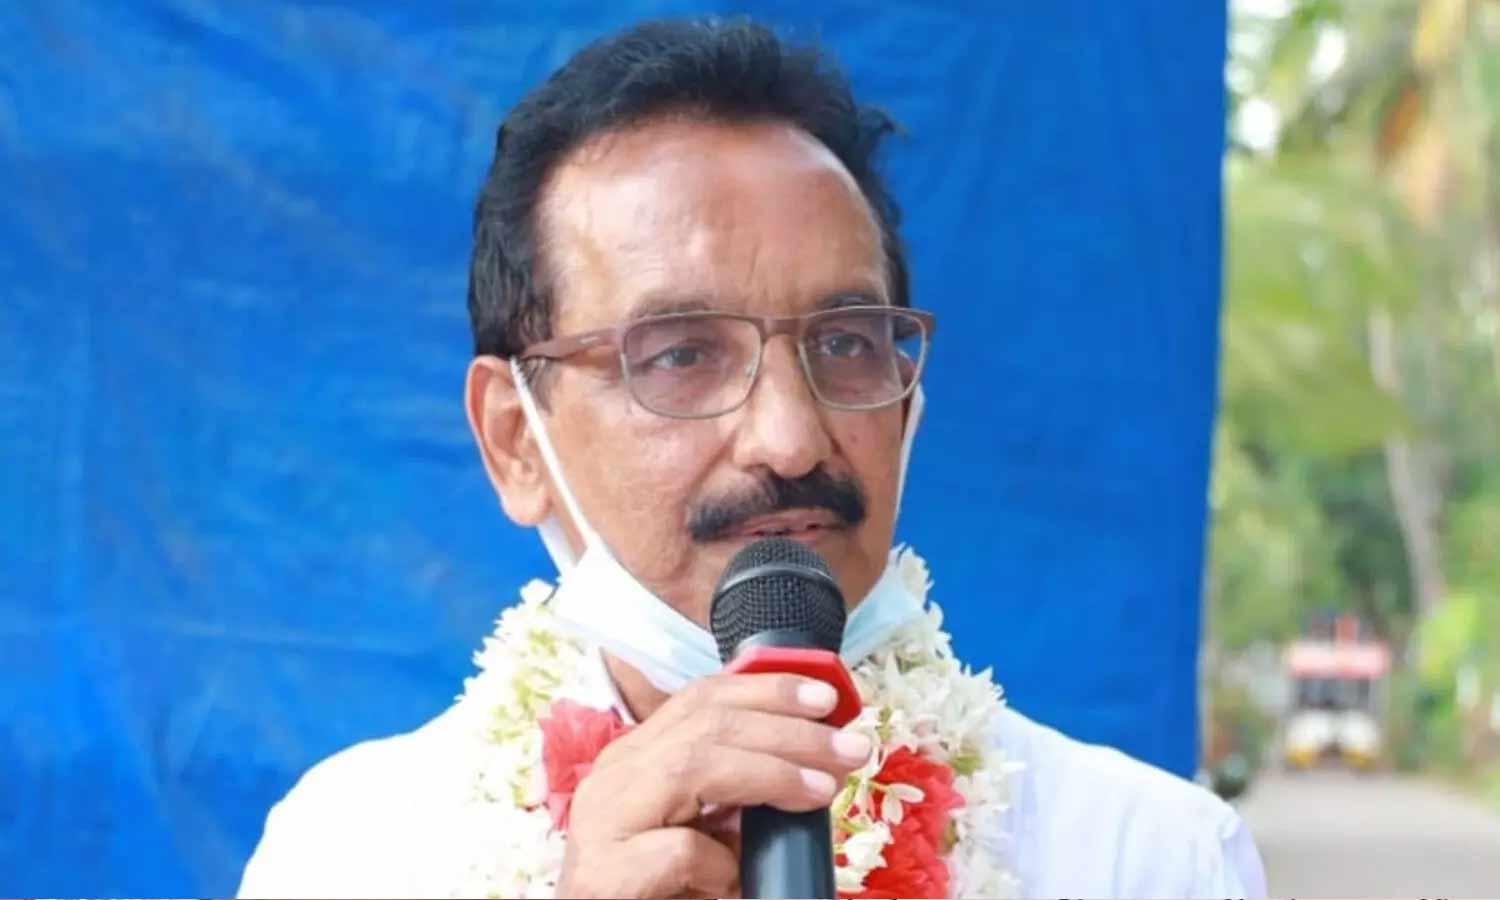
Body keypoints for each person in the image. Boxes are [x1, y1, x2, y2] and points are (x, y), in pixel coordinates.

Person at [238, 17, 1265, 899]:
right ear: (515, 440)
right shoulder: (352, 854)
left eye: (846, 343)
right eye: (680, 355)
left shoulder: (1146, 857)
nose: (790, 438)